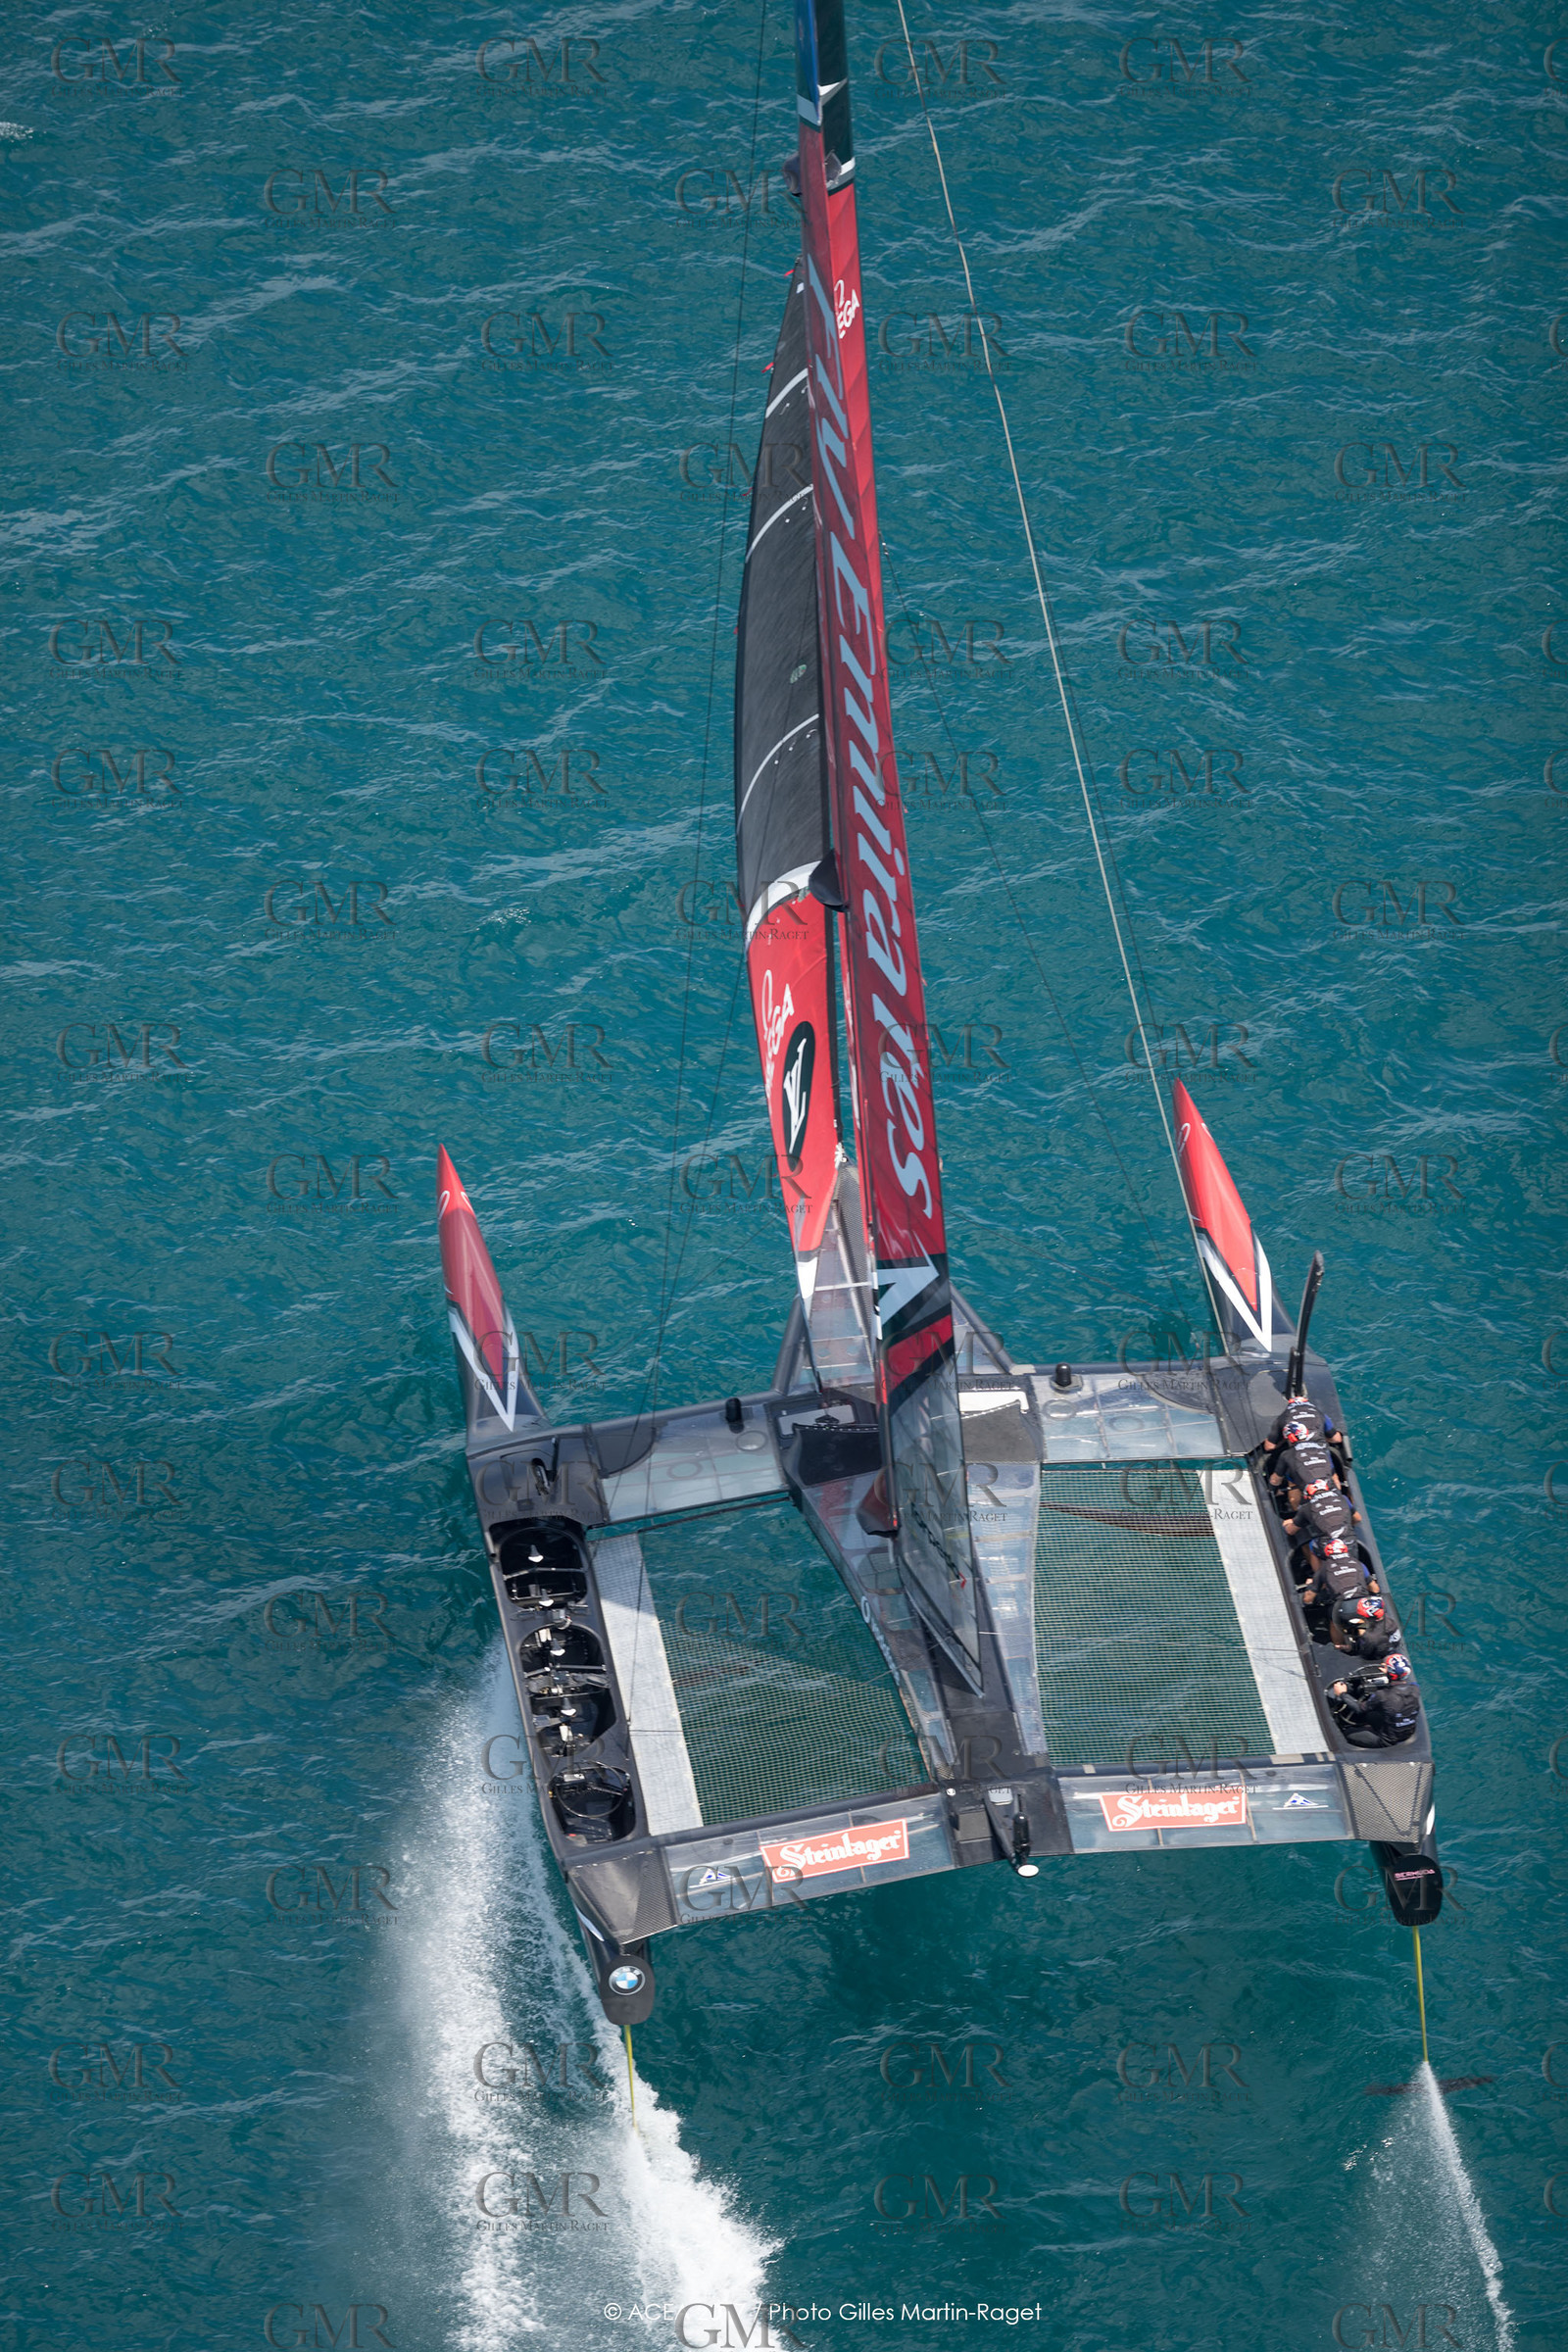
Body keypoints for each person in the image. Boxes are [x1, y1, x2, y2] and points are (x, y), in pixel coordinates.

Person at [1330, 1653, 1421, 1746]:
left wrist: (1342, 1694)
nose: (1382, 1667)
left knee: (1347, 1733)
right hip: (1406, 1734)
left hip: (1386, 1741)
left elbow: (1359, 1709)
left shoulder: (1382, 1695)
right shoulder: (1415, 1689)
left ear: (1389, 1673)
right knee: (1371, 1714)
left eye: (1384, 1667)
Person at [1330, 1590, 1397, 1659]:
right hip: (1384, 1643)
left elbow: (1362, 1651)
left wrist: (1348, 1648)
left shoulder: (1369, 1637)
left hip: (1374, 1652)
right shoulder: (1390, 1622)